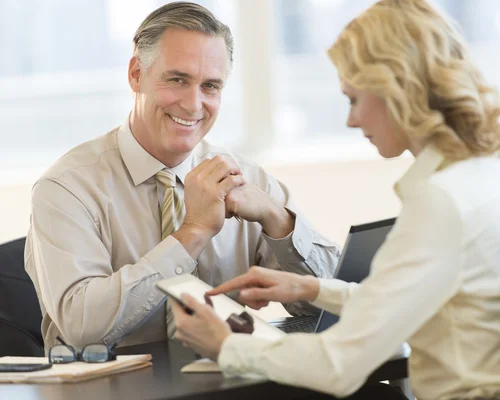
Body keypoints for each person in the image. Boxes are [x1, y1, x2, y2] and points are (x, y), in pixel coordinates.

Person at [170, 0, 500, 399]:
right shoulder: (495, 175)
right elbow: (412, 297)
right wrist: (309, 288)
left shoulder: (441, 203)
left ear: (397, 89)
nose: (351, 120)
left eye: (354, 99)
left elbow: (338, 367)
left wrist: (227, 346)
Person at [24, 2, 339, 352]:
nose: (193, 104)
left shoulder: (247, 178)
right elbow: (83, 328)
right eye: (177, 80)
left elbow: (334, 308)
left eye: (210, 86)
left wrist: (278, 220)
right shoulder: (67, 188)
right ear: (136, 74)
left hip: (232, 381)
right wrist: (193, 232)